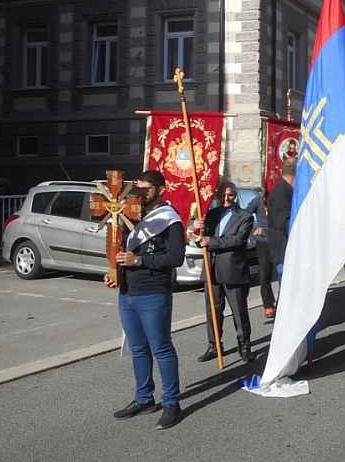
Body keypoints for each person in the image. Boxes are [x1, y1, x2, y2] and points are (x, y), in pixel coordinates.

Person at [106, 169, 184, 430]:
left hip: (154, 292)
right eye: (138, 188)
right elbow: (119, 253)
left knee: (161, 348)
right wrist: (114, 273)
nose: (141, 194)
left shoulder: (170, 219)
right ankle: (144, 398)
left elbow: (176, 258)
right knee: (138, 349)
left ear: (161, 189)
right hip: (127, 293)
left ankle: (172, 403)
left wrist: (139, 260)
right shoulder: (128, 216)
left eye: (146, 189)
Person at [195, 181, 255, 363]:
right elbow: (199, 238)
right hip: (211, 270)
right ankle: (214, 346)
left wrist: (211, 241)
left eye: (229, 195)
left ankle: (244, 347)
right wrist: (197, 227)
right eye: (222, 195)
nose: (226, 198)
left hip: (233, 271)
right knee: (213, 311)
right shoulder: (211, 214)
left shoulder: (245, 216)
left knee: (239, 312)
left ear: (235, 195)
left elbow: (237, 240)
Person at [244, 189, 275, 319]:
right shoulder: (257, 201)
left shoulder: (278, 199)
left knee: (284, 272)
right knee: (265, 275)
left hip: (280, 241)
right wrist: (252, 231)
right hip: (264, 243)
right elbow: (242, 217)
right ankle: (268, 305)